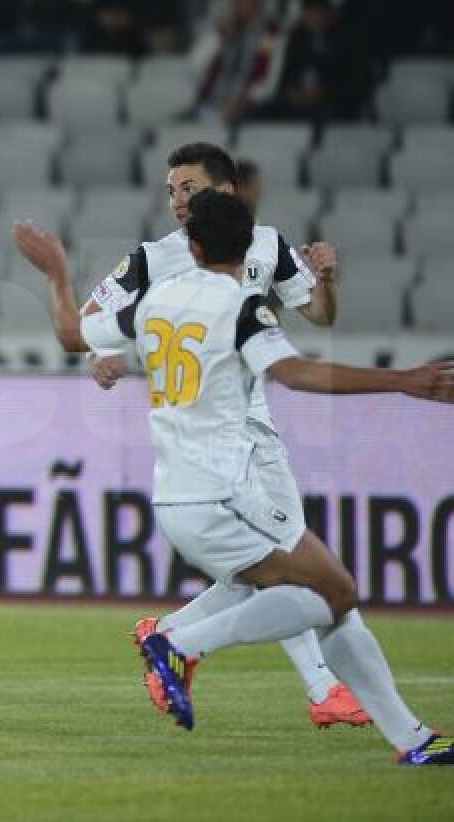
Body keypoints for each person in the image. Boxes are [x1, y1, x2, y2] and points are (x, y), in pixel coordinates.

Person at [45, 188, 454, 765]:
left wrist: (58, 275)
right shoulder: (241, 305)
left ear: (191, 244)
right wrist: (402, 382)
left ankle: (413, 741)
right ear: (252, 245)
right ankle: (178, 643)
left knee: (333, 591)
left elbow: (70, 335)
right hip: (224, 493)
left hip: (181, 495)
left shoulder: (155, 302)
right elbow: (296, 373)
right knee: (329, 592)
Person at [14, 142, 364, 729]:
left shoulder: (269, 245)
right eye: (171, 190)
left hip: (255, 419)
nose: (178, 202)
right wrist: (104, 356)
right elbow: (88, 334)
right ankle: (322, 686)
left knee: (265, 566)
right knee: (286, 557)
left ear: (226, 193)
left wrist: (327, 274)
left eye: (189, 189)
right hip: (206, 432)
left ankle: (170, 634)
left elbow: (322, 316)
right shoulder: (152, 260)